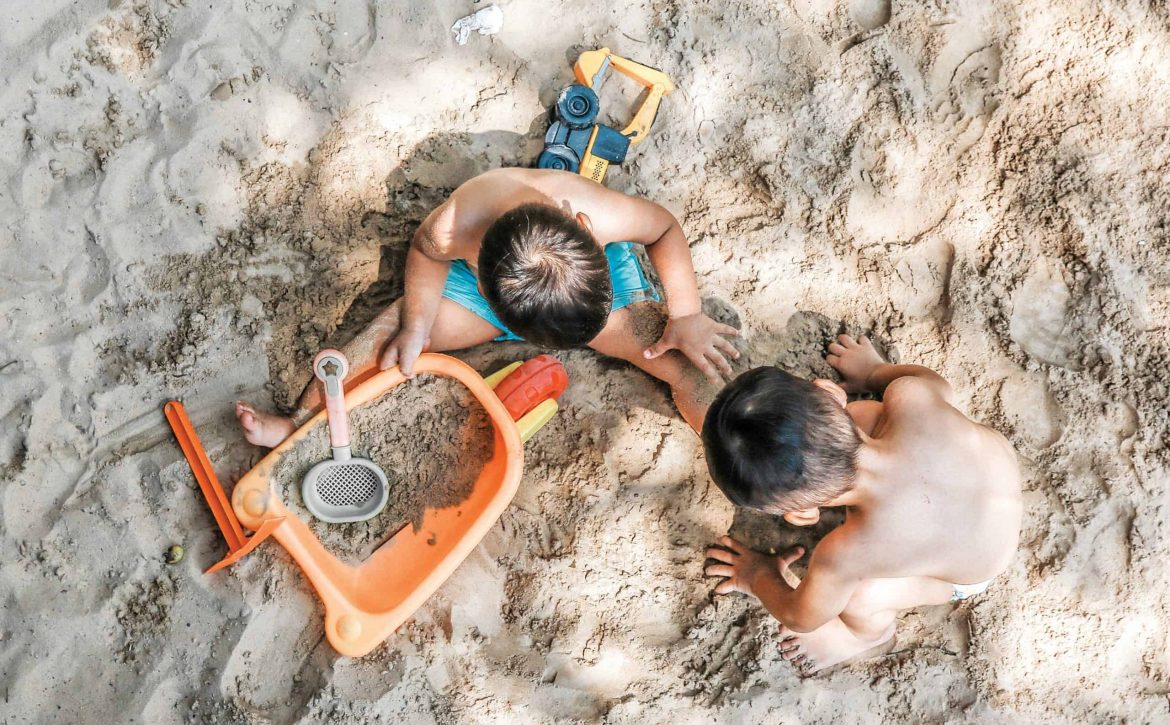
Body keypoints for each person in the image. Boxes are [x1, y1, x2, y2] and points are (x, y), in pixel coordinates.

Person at [236, 167, 738, 442]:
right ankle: (298, 423)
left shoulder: (601, 215)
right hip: (502, 294)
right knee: (389, 339)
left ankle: (725, 440)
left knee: (689, 365)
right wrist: (417, 324)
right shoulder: (454, 225)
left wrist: (688, 314)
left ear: (584, 225)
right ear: (476, 271)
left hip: (590, 289)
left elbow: (664, 227)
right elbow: (426, 255)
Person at [701, 334, 1021, 673]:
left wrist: (758, 575)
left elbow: (801, 616)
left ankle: (862, 636)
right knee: (867, 414)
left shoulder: (847, 552)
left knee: (861, 596)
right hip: (995, 486)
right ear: (829, 393)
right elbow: (936, 383)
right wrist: (875, 372)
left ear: (797, 513)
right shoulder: (909, 394)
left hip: (973, 573)